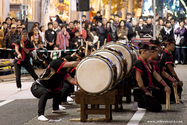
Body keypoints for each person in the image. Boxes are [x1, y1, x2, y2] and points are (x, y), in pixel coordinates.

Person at [31, 56, 78, 121]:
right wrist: (83, 62)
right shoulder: (56, 63)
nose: (70, 68)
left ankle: (55, 108)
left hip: (48, 88)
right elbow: (72, 64)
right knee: (44, 93)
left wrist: (84, 83)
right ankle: (40, 115)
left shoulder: (64, 73)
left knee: (59, 91)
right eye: (69, 67)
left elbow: (72, 81)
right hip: (37, 87)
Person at [132, 43, 171, 112]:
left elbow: (156, 75)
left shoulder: (147, 62)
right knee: (157, 107)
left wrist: (165, 85)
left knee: (164, 95)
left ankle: (148, 100)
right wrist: (145, 91)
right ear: (143, 52)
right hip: (141, 91)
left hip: (149, 88)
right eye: (149, 51)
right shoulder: (138, 63)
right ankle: (140, 103)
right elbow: (139, 79)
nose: (150, 53)